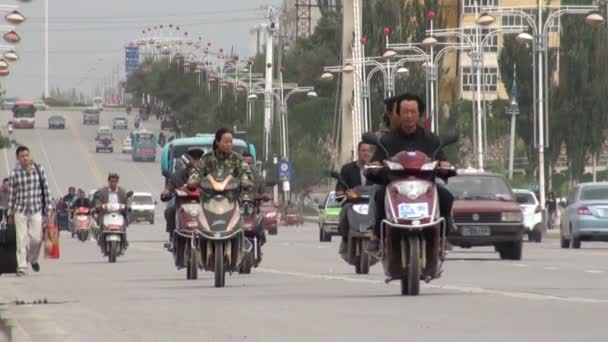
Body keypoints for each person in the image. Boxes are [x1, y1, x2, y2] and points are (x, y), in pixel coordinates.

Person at [366, 94, 454, 253]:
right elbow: (377, 161)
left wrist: (445, 166)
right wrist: (375, 166)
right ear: (398, 114)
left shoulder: (431, 139)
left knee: (446, 196)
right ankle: (377, 236)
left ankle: (444, 234)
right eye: (405, 112)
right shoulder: (387, 140)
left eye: (412, 112)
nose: (409, 116)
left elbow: (441, 160)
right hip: (395, 187)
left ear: (419, 114)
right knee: (378, 196)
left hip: (425, 186)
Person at [7, 146, 51, 276]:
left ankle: (32, 259)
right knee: (21, 239)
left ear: (30, 155)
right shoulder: (15, 174)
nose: (25, 158)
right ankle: (21, 266)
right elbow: (12, 195)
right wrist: (10, 213)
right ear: (18, 158)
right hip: (20, 210)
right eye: (22, 156)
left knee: (36, 239)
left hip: (35, 209)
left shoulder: (39, 170)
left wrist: (48, 208)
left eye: (27, 155)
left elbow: (46, 189)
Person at [160, 147, 205, 249]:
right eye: (194, 159)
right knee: (169, 212)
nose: (196, 162)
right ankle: (172, 238)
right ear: (189, 160)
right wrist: (167, 192)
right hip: (182, 208)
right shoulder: (177, 176)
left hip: (202, 207)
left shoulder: (206, 175)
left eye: (198, 159)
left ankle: (215, 238)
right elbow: (170, 187)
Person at [335, 142, 373, 254]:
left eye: (368, 151)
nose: (366, 153)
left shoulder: (375, 169)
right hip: (353, 202)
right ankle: (345, 238)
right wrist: (340, 191)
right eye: (363, 150)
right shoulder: (347, 169)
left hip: (371, 203)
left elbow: (382, 182)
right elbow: (341, 183)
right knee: (345, 210)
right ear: (358, 152)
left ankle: (380, 239)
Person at [188, 128, 253, 188]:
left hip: (231, 197)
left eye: (230, 142)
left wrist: (245, 180)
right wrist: (194, 179)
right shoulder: (207, 159)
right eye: (226, 142)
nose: (229, 144)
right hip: (209, 197)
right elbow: (197, 171)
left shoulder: (238, 159)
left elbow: (245, 172)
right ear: (217, 142)